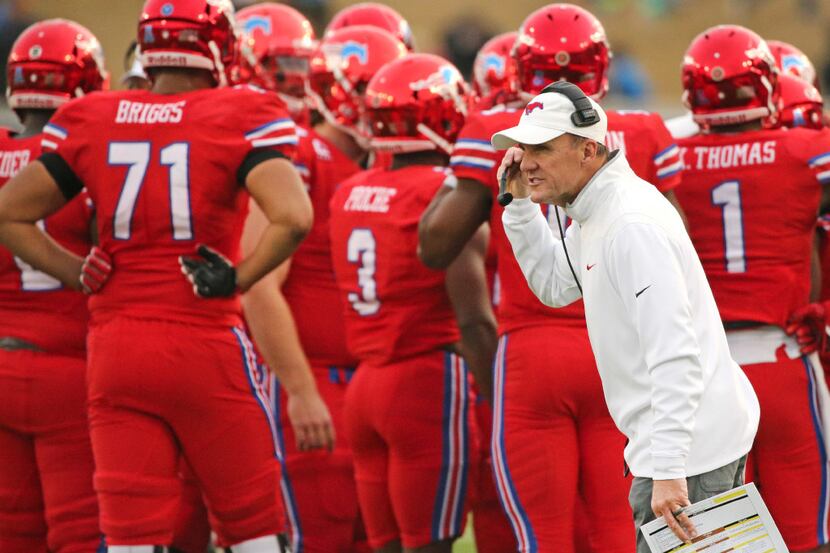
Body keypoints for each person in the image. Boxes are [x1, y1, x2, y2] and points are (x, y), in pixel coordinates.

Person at [0, 0, 312, 551]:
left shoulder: (94, 117)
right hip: (202, 338)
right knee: (254, 527)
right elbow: (294, 217)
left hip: (114, 347)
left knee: (130, 534)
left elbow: (10, 211)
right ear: (216, 44)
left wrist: (76, 272)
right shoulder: (239, 113)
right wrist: (239, 277)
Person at [419, 4, 682, 552]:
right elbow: (676, 251)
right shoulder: (646, 130)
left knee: (544, 539)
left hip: (533, 352)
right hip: (616, 352)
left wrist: (467, 180)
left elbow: (436, 246)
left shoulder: (492, 129)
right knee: (619, 532)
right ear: (602, 67)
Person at [493, 81, 760, 552]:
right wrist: (517, 209)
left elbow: (675, 353)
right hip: (688, 445)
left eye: (542, 148)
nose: (526, 160)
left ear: (587, 149)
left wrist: (669, 468)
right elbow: (556, 287)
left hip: (689, 455)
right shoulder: (599, 208)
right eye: (523, 147)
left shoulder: (628, 223)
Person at [238, 8, 407, 552]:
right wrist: (301, 391)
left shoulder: (384, 169)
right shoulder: (299, 153)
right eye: (370, 94)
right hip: (318, 382)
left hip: (375, 389)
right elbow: (259, 283)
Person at [329, 53, 496, 553]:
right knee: (431, 546)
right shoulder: (440, 194)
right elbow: (473, 320)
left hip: (364, 386)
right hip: (424, 382)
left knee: (388, 546)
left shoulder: (349, 191)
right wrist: (501, 402)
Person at [675, 25, 830, 553]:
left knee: (718, 544)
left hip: (701, 373)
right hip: (781, 358)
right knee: (809, 534)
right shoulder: (804, 150)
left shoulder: (668, 155)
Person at [0, 18, 105, 553]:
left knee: (13, 535)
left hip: (2, 361)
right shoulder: (83, 155)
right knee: (81, 532)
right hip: (68, 365)